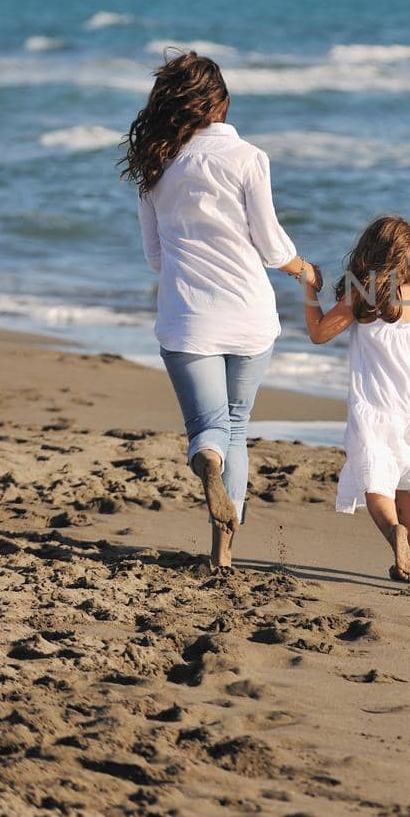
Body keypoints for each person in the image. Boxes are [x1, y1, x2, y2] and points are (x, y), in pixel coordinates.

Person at [123, 51, 317, 571]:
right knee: (236, 424)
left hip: (187, 317)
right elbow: (273, 246)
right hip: (250, 315)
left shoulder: (154, 167)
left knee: (208, 429)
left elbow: (154, 257)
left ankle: (206, 465)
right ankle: (223, 553)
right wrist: (304, 269)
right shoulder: (249, 157)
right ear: (222, 103)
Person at [303, 215, 410, 587]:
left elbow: (319, 334)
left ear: (369, 252)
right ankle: (407, 560)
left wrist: (309, 289)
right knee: (408, 487)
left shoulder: (361, 295)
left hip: (374, 409)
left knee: (377, 486)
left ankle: (394, 535)